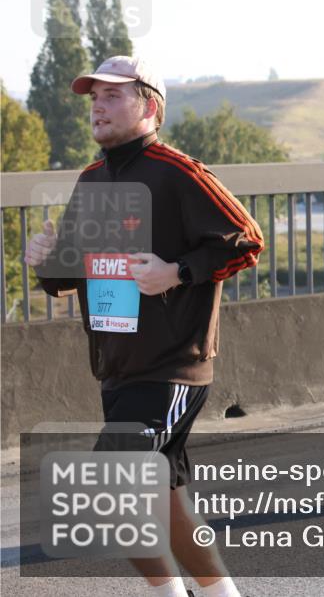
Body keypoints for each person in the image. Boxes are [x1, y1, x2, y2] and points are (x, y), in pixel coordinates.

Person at [24, 56, 262, 597]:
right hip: (119, 366)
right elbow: (70, 271)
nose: (98, 107)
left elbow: (246, 240)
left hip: (173, 363)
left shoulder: (178, 172)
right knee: (165, 497)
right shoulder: (91, 180)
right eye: (94, 99)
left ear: (149, 106)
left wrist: (175, 272)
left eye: (112, 96)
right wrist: (46, 259)